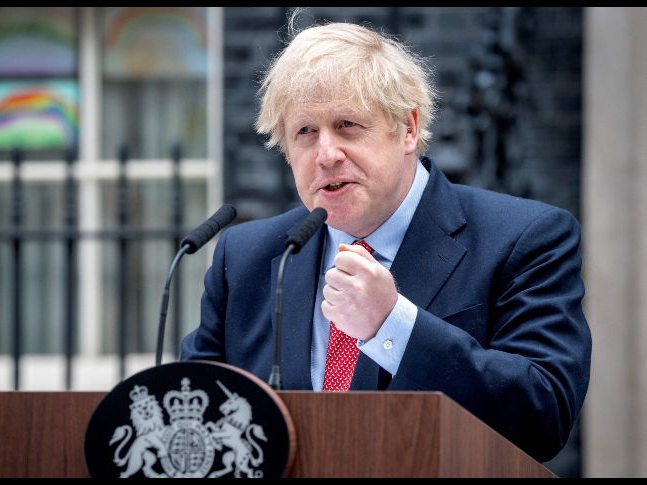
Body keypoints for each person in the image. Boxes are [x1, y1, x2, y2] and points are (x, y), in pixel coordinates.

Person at [181, 20, 590, 463]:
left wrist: (392, 325)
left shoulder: (525, 237)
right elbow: (192, 414)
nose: (326, 154)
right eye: (305, 132)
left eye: (348, 125)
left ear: (408, 129)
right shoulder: (247, 257)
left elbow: (543, 414)